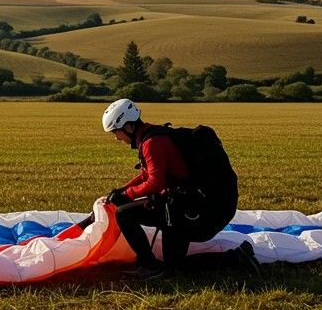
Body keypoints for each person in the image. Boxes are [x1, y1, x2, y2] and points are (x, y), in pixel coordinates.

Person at [100, 98, 258, 276]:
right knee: (129, 215)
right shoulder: (153, 135)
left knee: (126, 215)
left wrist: (127, 194)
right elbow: (147, 174)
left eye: (116, 132)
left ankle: (236, 258)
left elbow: (155, 183)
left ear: (128, 127)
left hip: (201, 211)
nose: (116, 138)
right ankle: (150, 263)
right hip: (196, 204)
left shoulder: (152, 143)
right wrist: (121, 191)